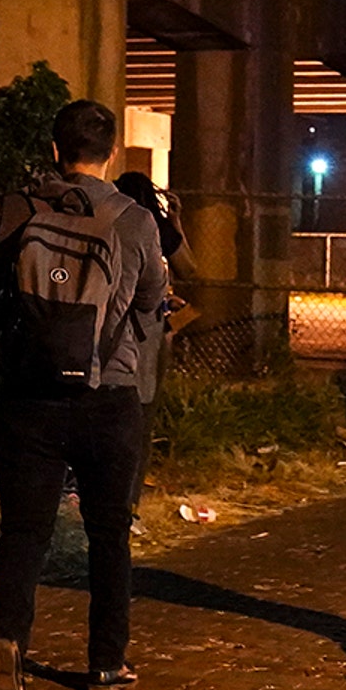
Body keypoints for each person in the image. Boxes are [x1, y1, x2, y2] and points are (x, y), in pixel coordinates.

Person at [0, 100, 166, 690]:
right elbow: (151, 300)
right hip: (109, 398)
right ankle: (107, 661)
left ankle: (9, 640)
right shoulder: (134, 220)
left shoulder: (20, 212)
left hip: (29, 398)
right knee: (109, 535)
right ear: (110, 152)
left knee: (23, 533)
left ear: (55, 148)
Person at [113, 169, 193, 523]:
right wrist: (176, 221)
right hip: (149, 334)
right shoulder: (157, 231)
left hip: (106, 330)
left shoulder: (108, 221)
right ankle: (128, 504)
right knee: (142, 418)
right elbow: (190, 268)